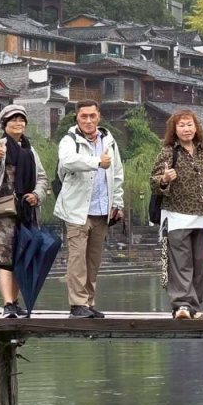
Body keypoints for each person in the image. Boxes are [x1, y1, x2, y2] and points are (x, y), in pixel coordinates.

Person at [53, 99, 125, 318]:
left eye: (92, 116)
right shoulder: (69, 140)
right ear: (77, 117)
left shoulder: (109, 141)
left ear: (99, 116)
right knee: (77, 259)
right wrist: (96, 162)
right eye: (83, 116)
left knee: (93, 260)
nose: (88, 120)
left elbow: (117, 173)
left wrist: (118, 203)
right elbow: (67, 162)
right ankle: (77, 304)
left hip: (102, 210)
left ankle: (89, 302)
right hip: (77, 211)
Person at [0, 104, 49, 318]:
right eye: (13, 120)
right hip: (3, 211)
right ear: (4, 124)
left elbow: (42, 178)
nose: (18, 123)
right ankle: (7, 303)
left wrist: (37, 195)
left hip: (25, 210)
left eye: (21, 119)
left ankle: (15, 301)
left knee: (22, 257)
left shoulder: (31, 150)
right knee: (5, 258)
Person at [151, 109, 203, 320]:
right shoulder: (169, 152)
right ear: (174, 129)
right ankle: (181, 305)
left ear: (196, 127)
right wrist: (165, 178)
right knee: (181, 263)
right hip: (177, 215)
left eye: (189, 124)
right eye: (181, 125)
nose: (186, 129)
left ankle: (194, 306)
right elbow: (153, 182)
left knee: (199, 264)